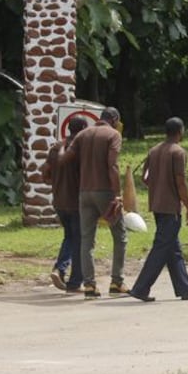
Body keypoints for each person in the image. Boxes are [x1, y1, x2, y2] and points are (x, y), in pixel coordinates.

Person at [129, 117, 188, 302]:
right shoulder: (178, 152)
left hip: (156, 205)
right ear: (180, 131)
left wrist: (158, 186)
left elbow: (145, 177)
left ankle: (185, 289)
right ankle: (140, 288)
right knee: (161, 248)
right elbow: (180, 181)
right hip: (170, 207)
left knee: (172, 249)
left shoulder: (154, 150)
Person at [61, 106, 127, 299]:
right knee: (120, 236)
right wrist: (117, 194)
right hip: (105, 191)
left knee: (87, 240)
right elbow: (112, 165)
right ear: (114, 119)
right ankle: (117, 282)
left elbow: (66, 159)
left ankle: (89, 285)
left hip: (84, 193)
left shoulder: (83, 134)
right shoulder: (113, 135)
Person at [47, 116, 89, 292]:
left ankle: (60, 269)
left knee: (70, 237)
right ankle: (74, 282)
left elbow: (45, 174)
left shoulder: (56, 148)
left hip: (59, 200)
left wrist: (58, 182)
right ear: (84, 128)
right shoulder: (80, 149)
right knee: (79, 240)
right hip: (76, 202)